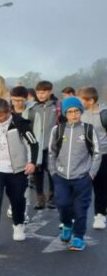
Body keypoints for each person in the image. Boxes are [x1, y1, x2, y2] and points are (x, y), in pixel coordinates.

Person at [48, 97, 102, 251]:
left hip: (82, 178)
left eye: (76, 111)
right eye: (70, 112)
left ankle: (78, 237)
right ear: (65, 114)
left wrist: (91, 174)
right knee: (63, 204)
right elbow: (51, 153)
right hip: (61, 177)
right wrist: (53, 172)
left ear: (81, 112)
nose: (73, 115)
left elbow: (97, 153)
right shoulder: (57, 130)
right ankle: (66, 225)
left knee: (80, 209)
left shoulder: (88, 129)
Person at [0, 97, 38, 247]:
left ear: (9, 111)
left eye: (1, 115)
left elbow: (33, 143)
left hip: (17, 170)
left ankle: (18, 225)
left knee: (17, 200)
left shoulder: (20, 123)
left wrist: (32, 162)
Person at [77, 86, 107, 230]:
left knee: (100, 187)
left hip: (102, 156)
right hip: (84, 156)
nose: (79, 102)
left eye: (81, 100)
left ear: (91, 100)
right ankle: (73, 217)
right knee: (79, 187)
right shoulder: (79, 114)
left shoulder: (104, 115)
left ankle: (100, 215)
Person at [29, 81, 59, 209]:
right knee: (37, 174)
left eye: (44, 92)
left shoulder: (57, 106)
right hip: (36, 147)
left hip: (52, 146)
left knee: (52, 173)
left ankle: (53, 198)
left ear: (50, 92)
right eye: (38, 92)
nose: (40, 95)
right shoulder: (33, 107)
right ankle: (40, 199)